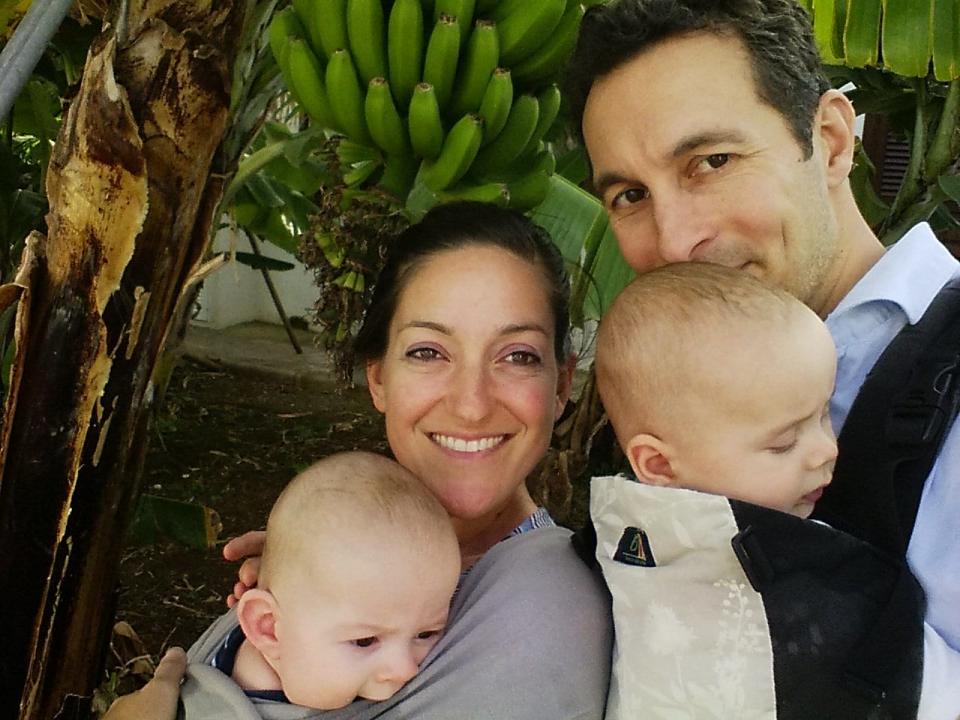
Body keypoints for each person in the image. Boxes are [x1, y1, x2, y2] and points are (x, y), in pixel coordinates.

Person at [567, 0, 960, 715]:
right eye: (629, 194)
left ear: (834, 141)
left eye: (712, 161)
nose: (676, 239)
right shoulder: (661, 383)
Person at [104, 201, 613, 720]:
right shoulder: (329, 557)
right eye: (428, 352)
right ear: (377, 377)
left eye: (517, 356)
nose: (471, 404)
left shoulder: (545, 610)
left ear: (562, 385)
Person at [179, 452, 461, 717]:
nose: (405, 669)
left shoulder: (297, 632)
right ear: (268, 628)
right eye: (364, 641)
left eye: (426, 633)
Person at [596, 261, 838, 517]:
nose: (827, 450)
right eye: (784, 444)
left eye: (824, 414)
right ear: (660, 465)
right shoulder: (719, 555)